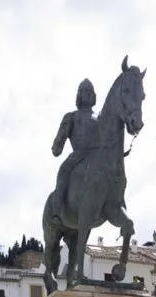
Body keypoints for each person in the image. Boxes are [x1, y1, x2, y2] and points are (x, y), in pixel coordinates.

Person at [51, 79, 100, 225]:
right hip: (78, 156)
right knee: (63, 174)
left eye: (91, 92)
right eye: (85, 91)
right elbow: (58, 145)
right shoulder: (71, 117)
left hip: (97, 158)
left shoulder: (101, 118)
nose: (88, 94)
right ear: (79, 95)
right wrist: (57, 145)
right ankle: (56, 212)